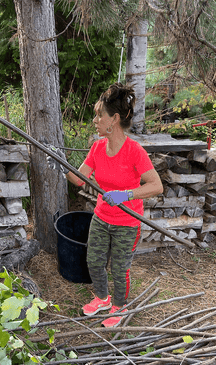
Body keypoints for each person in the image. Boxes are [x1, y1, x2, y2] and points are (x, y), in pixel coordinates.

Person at [56, 82, 163, 327]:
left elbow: (156, 186)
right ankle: (102, 298)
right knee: (93, 261)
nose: (95, 120)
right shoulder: (97, 147)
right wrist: (62, 166)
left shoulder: (134, 151)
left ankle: (119, 306)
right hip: (101, 217)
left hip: (127, 222)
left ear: (113, 119)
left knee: (119, 268)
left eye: (99, 115)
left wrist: (126, 195)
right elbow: (80, 180)